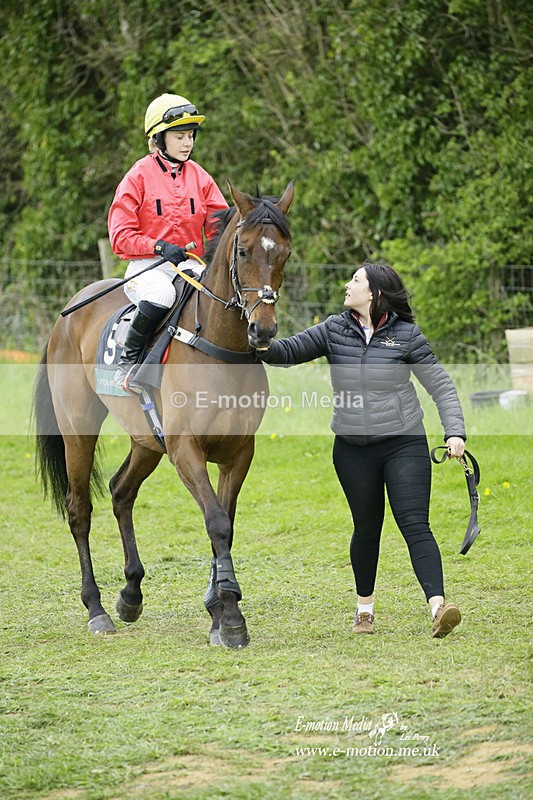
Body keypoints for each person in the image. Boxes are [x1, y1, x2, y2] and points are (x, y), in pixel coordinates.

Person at [257, 263, 466, 639]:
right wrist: (258, 340)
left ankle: (439, 607)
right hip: (353, 450)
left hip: (404, 443)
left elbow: (441, 385)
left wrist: (455, 432)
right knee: (367, 528)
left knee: (415, 524)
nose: (348, 285)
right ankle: (364, 611)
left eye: (356, 280)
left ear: (373, 293)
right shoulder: (334, 329)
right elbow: (288, 351)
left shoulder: (406, 335)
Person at [108, 92, 228, 391]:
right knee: (162, 295)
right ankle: (128, 364)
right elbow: (120, 236)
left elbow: (218, 229)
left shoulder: (201, 177)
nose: (188, 143)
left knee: (221, 297)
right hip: (148, 268)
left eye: (190, 136)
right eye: (179, 136)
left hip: (190, 267)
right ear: (158, 139)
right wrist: (159, 247)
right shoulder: (137, 176)